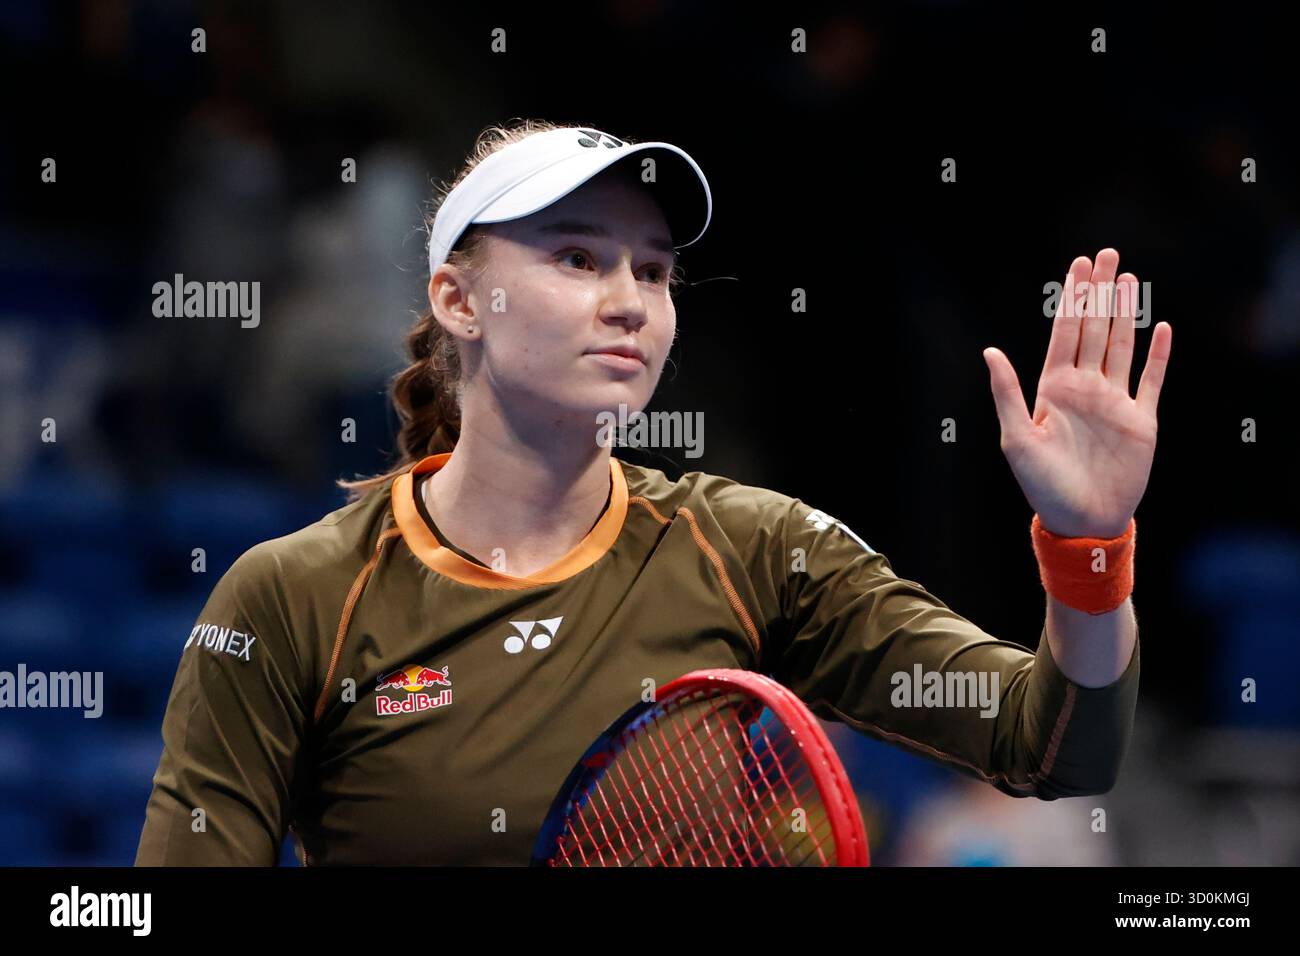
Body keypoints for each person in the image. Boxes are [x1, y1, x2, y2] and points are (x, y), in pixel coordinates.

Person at [136, 119, 1173, 865]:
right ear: (459, 298)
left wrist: (1088, 545)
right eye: (578, 257)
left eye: (655, 269)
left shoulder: (758, 548)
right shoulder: (293, 594)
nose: (628, 302)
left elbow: (1054, 745)